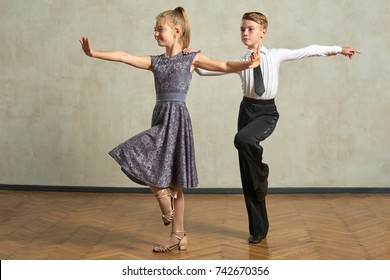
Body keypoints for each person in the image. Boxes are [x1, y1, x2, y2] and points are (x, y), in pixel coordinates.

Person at [79, 7, 259, 252]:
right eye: (154, 29)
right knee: (132, 153)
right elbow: (123, 55)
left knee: (176, 180)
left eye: (159, 29)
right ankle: (162, 195)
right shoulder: (156, 62)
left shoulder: (191, 57)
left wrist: (248, 64)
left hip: (178, 118)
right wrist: (94, 53)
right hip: (161, 116)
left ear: (176, 31)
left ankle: (178, 235)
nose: (155, 33)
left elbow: (224, 65)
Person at [191, 12, 360, 244]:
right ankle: (259, 228)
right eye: (242, 29)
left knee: (242, 140)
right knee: (247, 175)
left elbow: (308, 50)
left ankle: (262, 173)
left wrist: (339, 48)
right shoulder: (241, 62)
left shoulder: (277, 55)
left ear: (263, 32)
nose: (245, 33)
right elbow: (208, 70)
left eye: (250, 29)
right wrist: (192, 59)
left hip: (266, 113)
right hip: (246, 111)